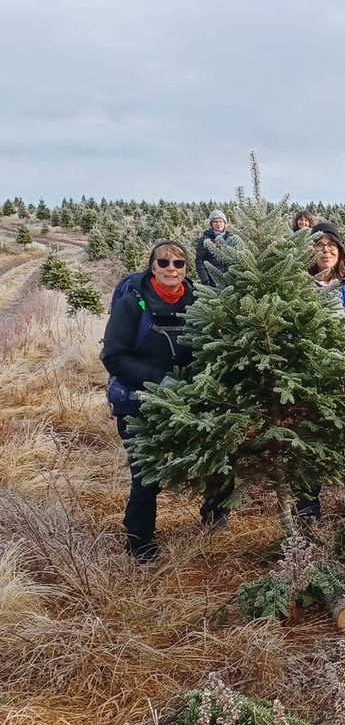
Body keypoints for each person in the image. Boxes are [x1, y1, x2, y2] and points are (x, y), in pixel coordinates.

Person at [100, 241, 230, 561]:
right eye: (164, 262)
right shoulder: (133, 303)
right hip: (139, 399)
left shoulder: (198, 301)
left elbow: (212, 348)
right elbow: (113, 356)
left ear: (187, 268)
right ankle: (140, 546)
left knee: (220, 453)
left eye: (179, 263)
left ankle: (216, 515)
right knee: (147, 476)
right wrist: (159, 381)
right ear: (152, 266)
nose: (172, 268)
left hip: (189, 396)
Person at [296, 223, 345, 519]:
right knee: (310, 440)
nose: (325, 250)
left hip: (343, 372)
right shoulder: (301, 284)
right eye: (319, 244)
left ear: (340, 252)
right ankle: (308, 511)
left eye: (332, 245)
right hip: (310, 375)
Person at [194, 209, 239, 287]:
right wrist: (205, 281)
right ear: (211, 224)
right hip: (213, 281)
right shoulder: (205, 239)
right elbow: (199, 261)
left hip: (231, 279)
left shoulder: (231, 238)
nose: (218, 224)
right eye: (215, 221)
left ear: (224, 223)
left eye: (220, 221)